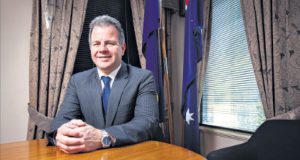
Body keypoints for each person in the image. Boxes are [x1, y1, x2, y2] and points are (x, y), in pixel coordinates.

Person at [47, 15, 163, 154]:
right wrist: (60, 133)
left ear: (123, 48)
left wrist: (103, 137)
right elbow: (62, 120)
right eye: (96, 44)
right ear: (91, 49)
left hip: (135, 154)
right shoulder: (77, 81)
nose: (102, 49)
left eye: (110, 43)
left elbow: (147, 123)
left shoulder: (143, 78)